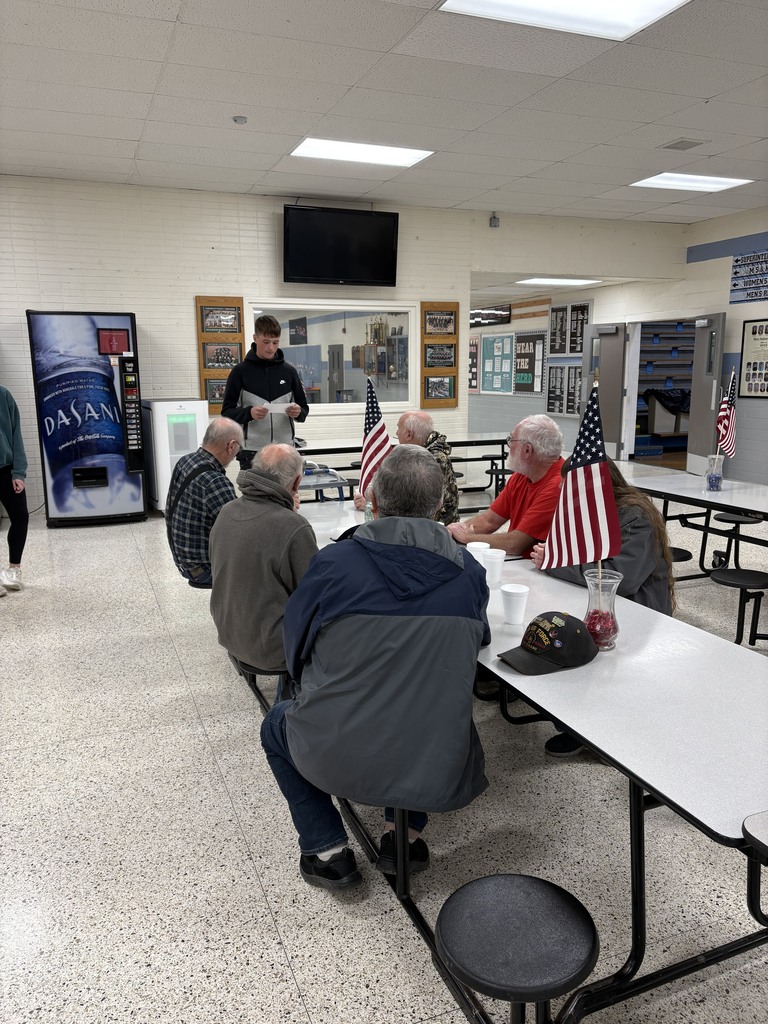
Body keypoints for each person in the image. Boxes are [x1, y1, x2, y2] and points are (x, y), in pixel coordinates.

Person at [260, 445, 490, 891]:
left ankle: (327, 852)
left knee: (275, 725)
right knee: (423, 703)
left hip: (335, 756)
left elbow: (295, 651)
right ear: (439, 506)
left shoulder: (332, 564)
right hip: (439, 761)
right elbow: (476, 644)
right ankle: (403, 836)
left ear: (374, 502)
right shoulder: (470, 573)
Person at [531, 456, 676, 757]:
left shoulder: (636, 516)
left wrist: (555, 563)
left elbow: (621, 578)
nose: (565, 495)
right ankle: (575, 722)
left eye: (571, 488)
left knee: (581, 648)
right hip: (595, 601)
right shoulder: (588, 511)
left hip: (638, 610)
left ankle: (601, 733)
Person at [209, 444, 319, 675]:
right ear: (297, 483)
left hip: (229, 634)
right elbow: (314, 595)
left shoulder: (227, 511)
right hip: (270, 649)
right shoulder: (292, 526)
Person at [447, 414, 564, 557]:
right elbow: (489, 521)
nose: (509, 447)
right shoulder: (522, 475)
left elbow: (514, 544)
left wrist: (466, 537)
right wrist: (455, 530)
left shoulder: (559, 485)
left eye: (511, 440)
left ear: (527, 450)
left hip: (532, 566)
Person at [221, 314, 309, 471]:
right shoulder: (240, 372)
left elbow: (303, 410)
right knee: (254, 489)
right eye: (266, 342)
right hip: (252, 451)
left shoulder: (289, 372)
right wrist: (249, 413)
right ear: (255, 338)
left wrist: (298, 412)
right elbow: (227, 412)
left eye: (275, 342)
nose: (271, 348)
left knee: (285, 488)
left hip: (284, 449)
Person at [165, 417, 244, 588]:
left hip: (183, 561)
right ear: (231, 446)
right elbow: (241, 529)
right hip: (203, 569)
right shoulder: (214, 480)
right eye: (239, 448)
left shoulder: (186, 460)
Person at [354, 411, 459, 525]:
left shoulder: (430, 461)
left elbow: (412, 505)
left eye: (399, 428)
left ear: (409, 434)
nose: (396, 433)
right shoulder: (419, 456)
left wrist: (373, 504)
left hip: (436, 528)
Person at [0, 385, 29, 595]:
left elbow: (15, 432)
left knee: (20, 517)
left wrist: (18, 472)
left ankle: (13, 570)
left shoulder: (3, 395)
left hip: (6, 469)